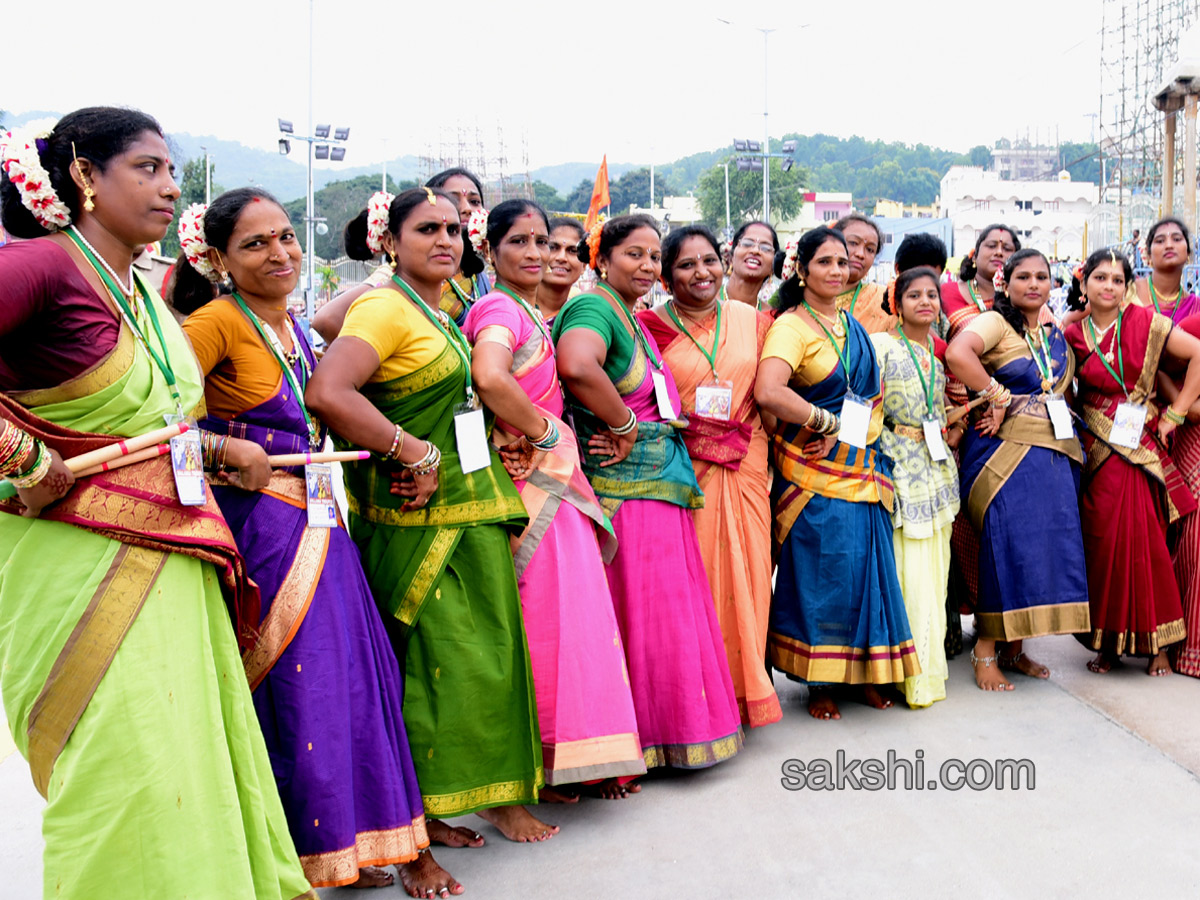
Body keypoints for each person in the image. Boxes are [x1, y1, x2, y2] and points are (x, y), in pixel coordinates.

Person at [0, 108, 315, 899]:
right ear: (82, 175)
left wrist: (217, 448)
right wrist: (19, 455)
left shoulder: (139, 289)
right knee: (128, 760)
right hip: (78, 556)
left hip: (177, 551)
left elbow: (156, 422)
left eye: (171, 171)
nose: (171, 188)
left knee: (188, 750)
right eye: (147, 168)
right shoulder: (39, 267)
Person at [174, 188, 458, 895]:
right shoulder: (212, 324)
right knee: (307, 690)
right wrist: (223, 451)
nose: (280, 254)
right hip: (266, 529)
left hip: (321, 521)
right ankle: (308, 857)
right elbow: (165, 423)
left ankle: (356, 848)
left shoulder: (295, 328)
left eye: (285, 238)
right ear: (216, 259)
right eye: (255, 244)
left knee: (359, 680)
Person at [305, 188, 552, 843]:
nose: (445, 240)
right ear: (390, 241)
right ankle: (427, 812)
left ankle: (496, 795)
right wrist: (408, 448)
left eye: (452, 229)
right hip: (418, 521)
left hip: (471, 510)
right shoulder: (384, 307)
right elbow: (327, 390)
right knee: (436, 667)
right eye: (425, 230)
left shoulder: (442, 310)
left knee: (491, 658)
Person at [461, 200, 644, 796]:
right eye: (519, 241)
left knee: (576, 617)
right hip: (530, 483)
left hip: (552, 480)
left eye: (543, 241)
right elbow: (490, 378)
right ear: (490, 250)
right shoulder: (497, 307)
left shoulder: (531, 312)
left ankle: (583, 757)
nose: (537, 253)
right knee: (548, 619)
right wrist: (538, 433)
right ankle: (547, 763)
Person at [551, 214, 743, 769]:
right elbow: (576, 363)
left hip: (655, 485)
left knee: (663, 611)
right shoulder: (594, 307)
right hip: (626, 490)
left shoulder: (627, 314)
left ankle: (669, 734)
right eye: (634, 254)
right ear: (602, 259)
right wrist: (623, 424)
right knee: (641, 612)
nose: (647, 266)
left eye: (654, 256)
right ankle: (639, 742)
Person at [755, 226, 918, 720]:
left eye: (842, 263)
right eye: (823, 262)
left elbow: (868, 399)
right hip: (811, 474)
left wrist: (845, 432)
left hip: (861, 467)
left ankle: (863, 674)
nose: (835, 271)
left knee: (867, 572)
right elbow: (769, 391)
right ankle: (818, 681)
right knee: (824, 574)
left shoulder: (854, 326)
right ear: (801, 270)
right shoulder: (792, 327)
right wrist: (821, 420)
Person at [639, 225, 781, 729]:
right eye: (685, 264)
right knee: (695, 578)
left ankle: (745, 692)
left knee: (750, 574)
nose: (701, 273)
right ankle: (701, 697)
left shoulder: (751, 320)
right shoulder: (648, 326)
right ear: (666, 273)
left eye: (708, 262)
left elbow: (770, 391)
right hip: (685, 466)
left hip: (747, 460)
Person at [946, 248, 1091, 691]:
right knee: (1006, 547)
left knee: (1040, 550)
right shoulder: (994, 322)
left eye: (1041, 277)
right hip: (1004, 454)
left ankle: (1016, 649)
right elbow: (957, 354)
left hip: (1051, 453)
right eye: (1022, 276)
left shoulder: (1050, 332)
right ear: (1004, 283)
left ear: (1052, 284)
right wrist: (997, 394)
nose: (1033, 283)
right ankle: (985, 649)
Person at [1063, 248, 1200, 676]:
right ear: (1084, 284)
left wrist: (1176, 412)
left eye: (1117, 280)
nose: (1108, 286)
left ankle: (1158, 644)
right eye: (1099, 278)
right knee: (1101, 546)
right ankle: (1107, 644)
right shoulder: (1070, 334)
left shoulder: (1149, 324)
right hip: (1097, 451)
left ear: (1127, 287)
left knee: (1147, 546)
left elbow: (1198, 353)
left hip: (1139, 448)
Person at [871, 267, 959, 707]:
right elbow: (865, 403)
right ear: (897, 303)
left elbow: (939, 412)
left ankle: (928, 671)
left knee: (935, 573)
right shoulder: (883, 347)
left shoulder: (937, 360)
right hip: (897, 464)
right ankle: (904, 674)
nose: (925, 302)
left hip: (935, 467)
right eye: (914, 295)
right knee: (907, 571)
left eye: (932, 295)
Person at [311, 167, 491, 342]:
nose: (467, 208)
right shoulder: (402, 273)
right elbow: (327, 320)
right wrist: (390, 365)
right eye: (453, 199)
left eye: (474, 201)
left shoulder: (477, 276)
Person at [833, 213, 894, 333]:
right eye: (853, 243)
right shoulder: (808, 296)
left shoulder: (883, 300)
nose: (860, 254)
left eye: (870, 249)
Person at [1132, 217, 1199, 323]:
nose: (1169, 245)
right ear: (1148, 255)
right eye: (1160, 241)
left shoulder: (1196, 308)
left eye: (1177, 239)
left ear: (1188, 253)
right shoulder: (1128, 293)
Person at [539, 217, 589, 322]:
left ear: (583, 266)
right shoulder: (512, 310)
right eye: (553, 247)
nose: (562, 258)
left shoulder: (582, 317)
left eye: (572, 251)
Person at [722, 220, 779, 311]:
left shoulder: (772, 319)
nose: (755, 250)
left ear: (773, 267)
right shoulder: (705, 304)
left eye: (765, 248)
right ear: (731, 257)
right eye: (747, 244)